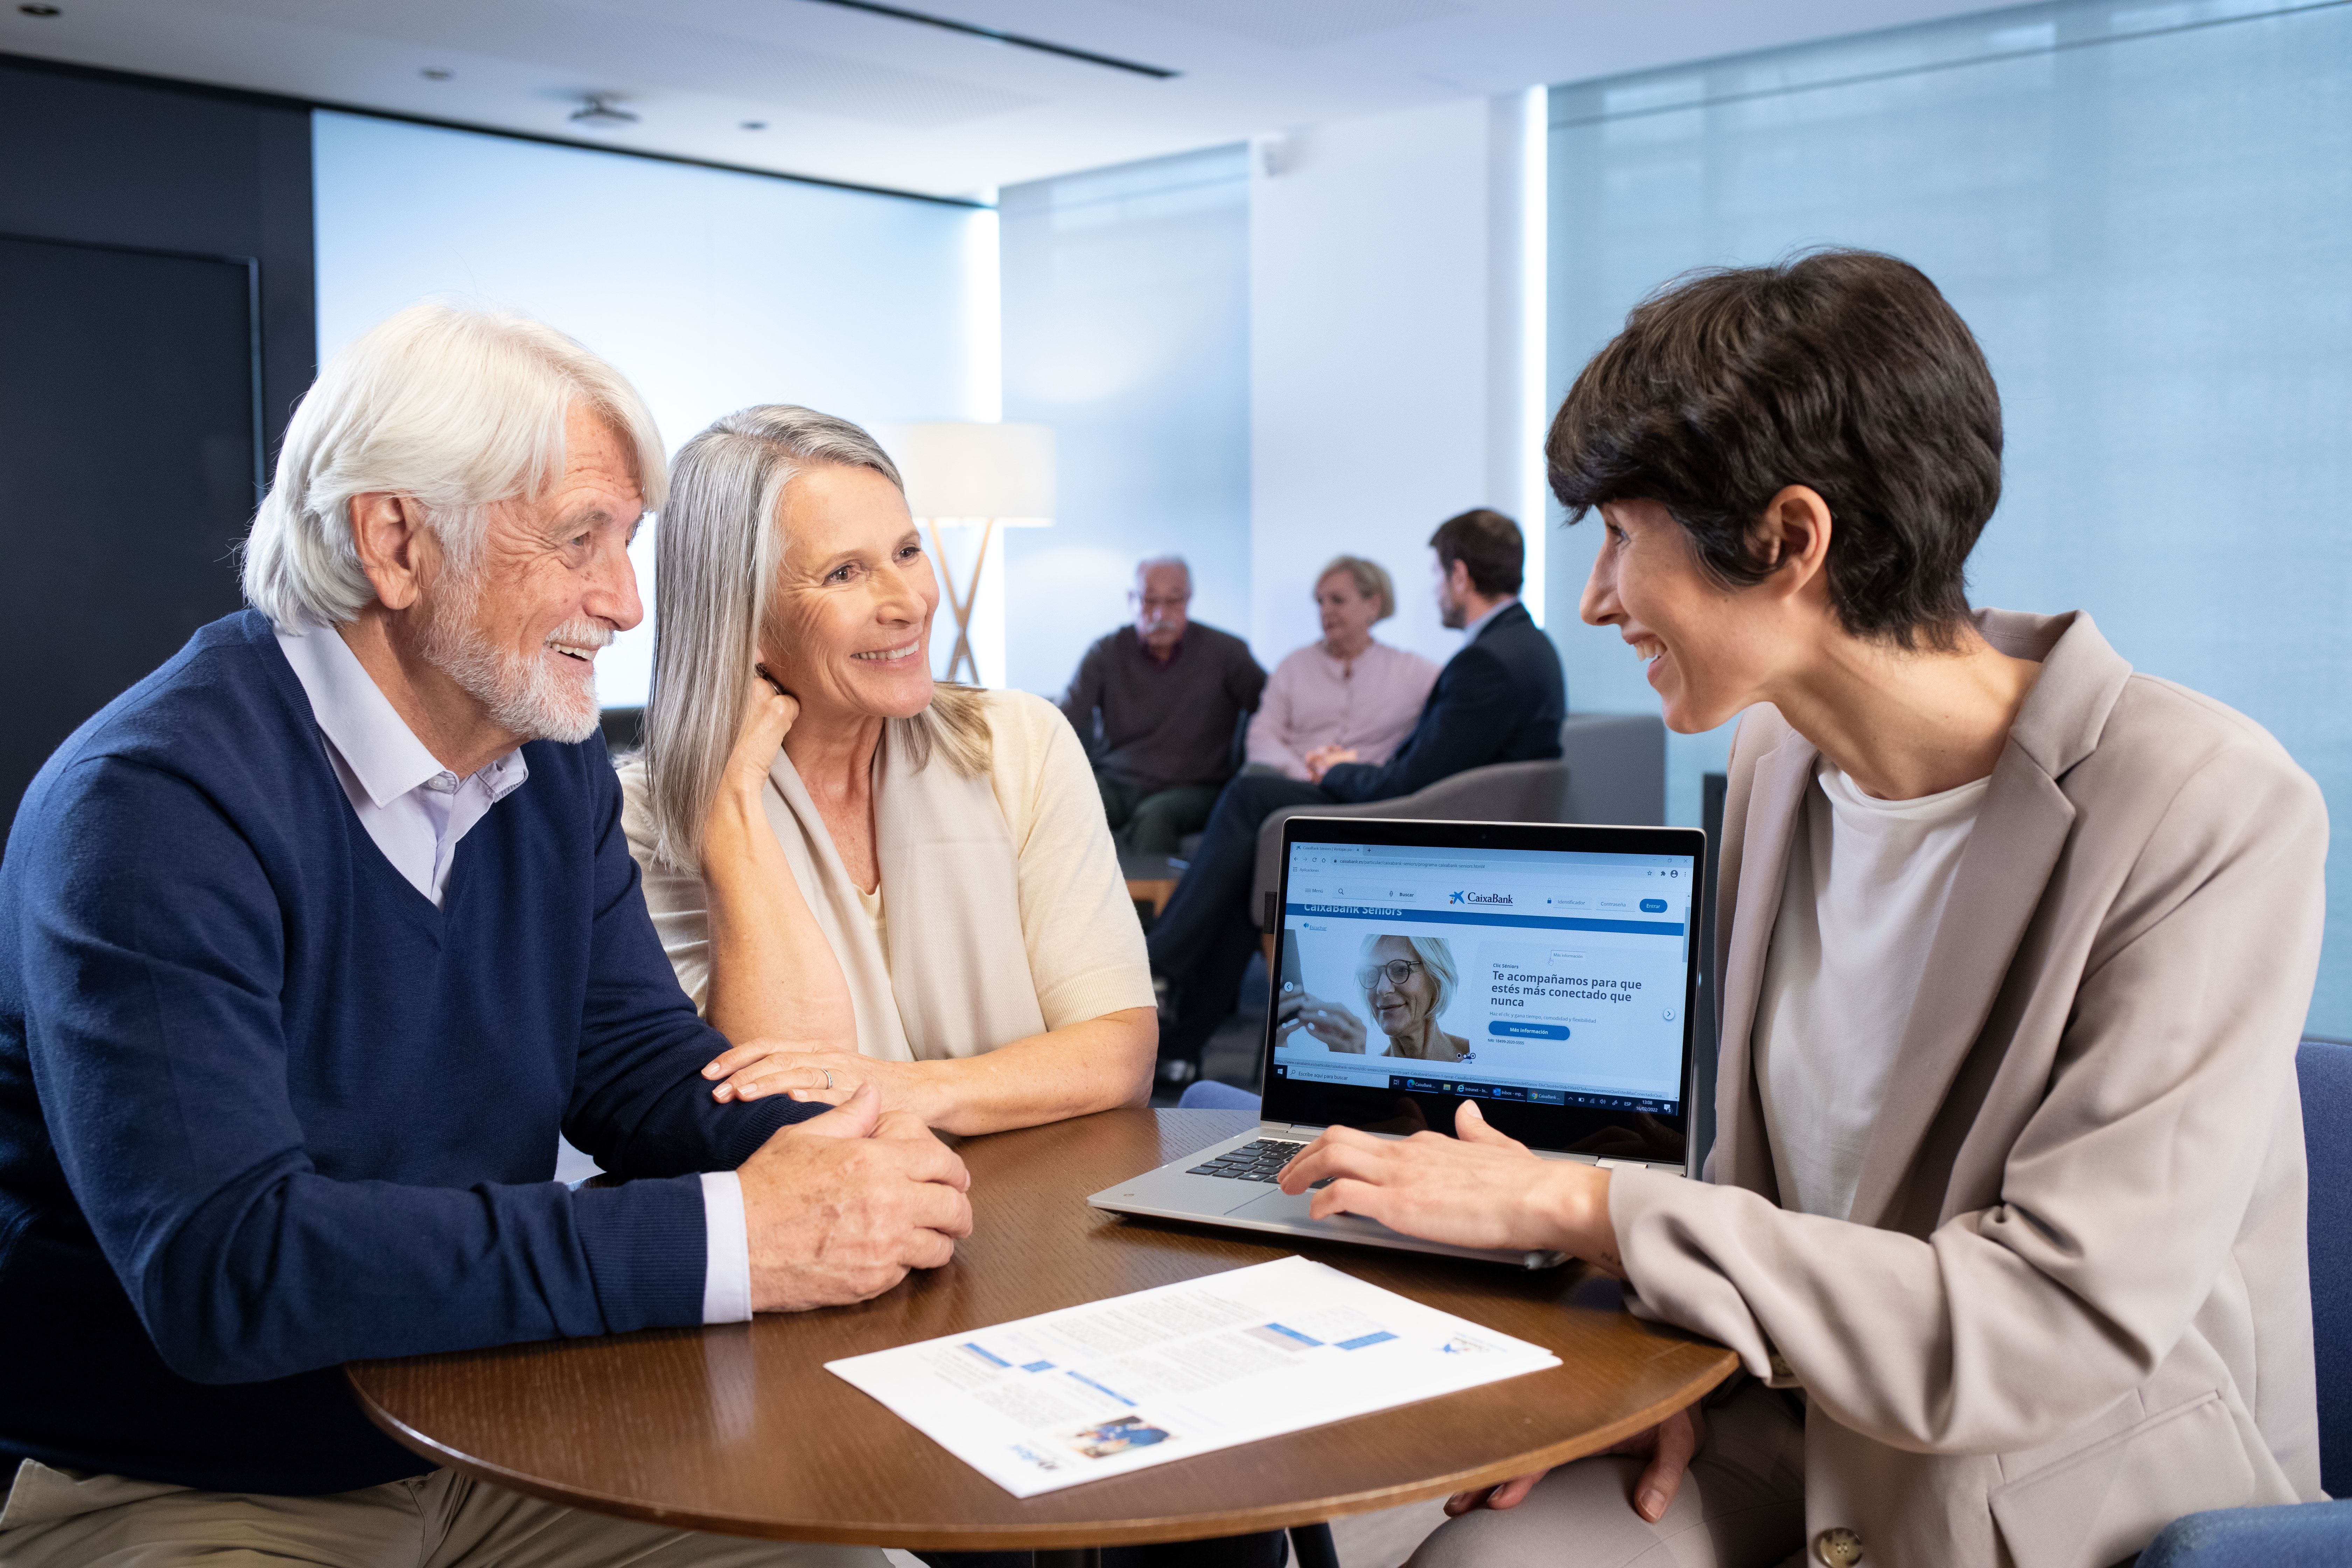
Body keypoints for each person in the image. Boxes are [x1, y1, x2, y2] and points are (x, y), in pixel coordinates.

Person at [1270, 252, 2325, 1568]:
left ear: (1786, 541)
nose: (1594, 598)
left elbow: (2047, 1321)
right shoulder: (1774, 763)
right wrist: (1683, 1368)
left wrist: (1579, 1206)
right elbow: (1768, 1189)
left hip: (2056, 1481)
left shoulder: (2205, 807)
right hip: (1792, 1411)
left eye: (1617, 535)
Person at [0, 303, 974, 1567]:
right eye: (581, 539)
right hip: (192, 1476)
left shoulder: (547, 764)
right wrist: (728, 1235)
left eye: (628, 542)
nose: (625, 603)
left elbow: (631, 1066)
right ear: (396, 540)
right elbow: (229, 1267)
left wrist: (828, 1150)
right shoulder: (149, 807)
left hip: (499, 1434)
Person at [615, 406, 1157, 1135]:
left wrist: (905, 1091)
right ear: (738, 616)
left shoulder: (1021, 742)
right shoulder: (642, 819)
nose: (909, 604)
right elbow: (784, 1115)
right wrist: (728, 812)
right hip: (837, 1232)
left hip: (1055, 1206)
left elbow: (1119, 1051)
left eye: (907, 551)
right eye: (844, 572)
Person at [1146, 511, 1564, 1077]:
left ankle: (1157, 970)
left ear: (1460, 576)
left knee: (1249, 803)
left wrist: (1338, 770)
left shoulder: (1480, 663)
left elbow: (1407, 779)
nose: (1437, 590)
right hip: (1425, 804)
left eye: (1439, 577)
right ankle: (1177, 1038)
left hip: (1409, 816)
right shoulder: (1527, 647)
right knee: (1253, 853)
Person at [1059, 556, 1266, 854]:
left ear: (1189, 599)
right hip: (1118, 780)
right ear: (1131, 600)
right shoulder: (1106, 652)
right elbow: (1065, 722)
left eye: (1174, 602)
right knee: (1069, 806)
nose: (1161, 613)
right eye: (1149, 601)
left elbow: (1274, 709)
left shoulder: (1228, 653)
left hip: (1196, 787)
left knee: (1156, 817)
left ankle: (1146, 903)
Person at [1246, 555, 1438, 780]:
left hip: (1371, 794)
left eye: (1338, 600)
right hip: (1301, 787)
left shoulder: (1411, 671)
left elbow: (1453, 708)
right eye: (1320, 602)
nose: (1325, 610)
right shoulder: (1293, 667)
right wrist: (1301, 775)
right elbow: (1262, 737)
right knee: (1247, 789)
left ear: (1373, 605)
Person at [1279, 935, 1470, 1063]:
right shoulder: (1368, 1067)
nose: (1382, 989)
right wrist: (1350, 1068)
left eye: (1401, 969)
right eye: (1370, 974)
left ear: (1435, 976)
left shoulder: (1477, 1058)